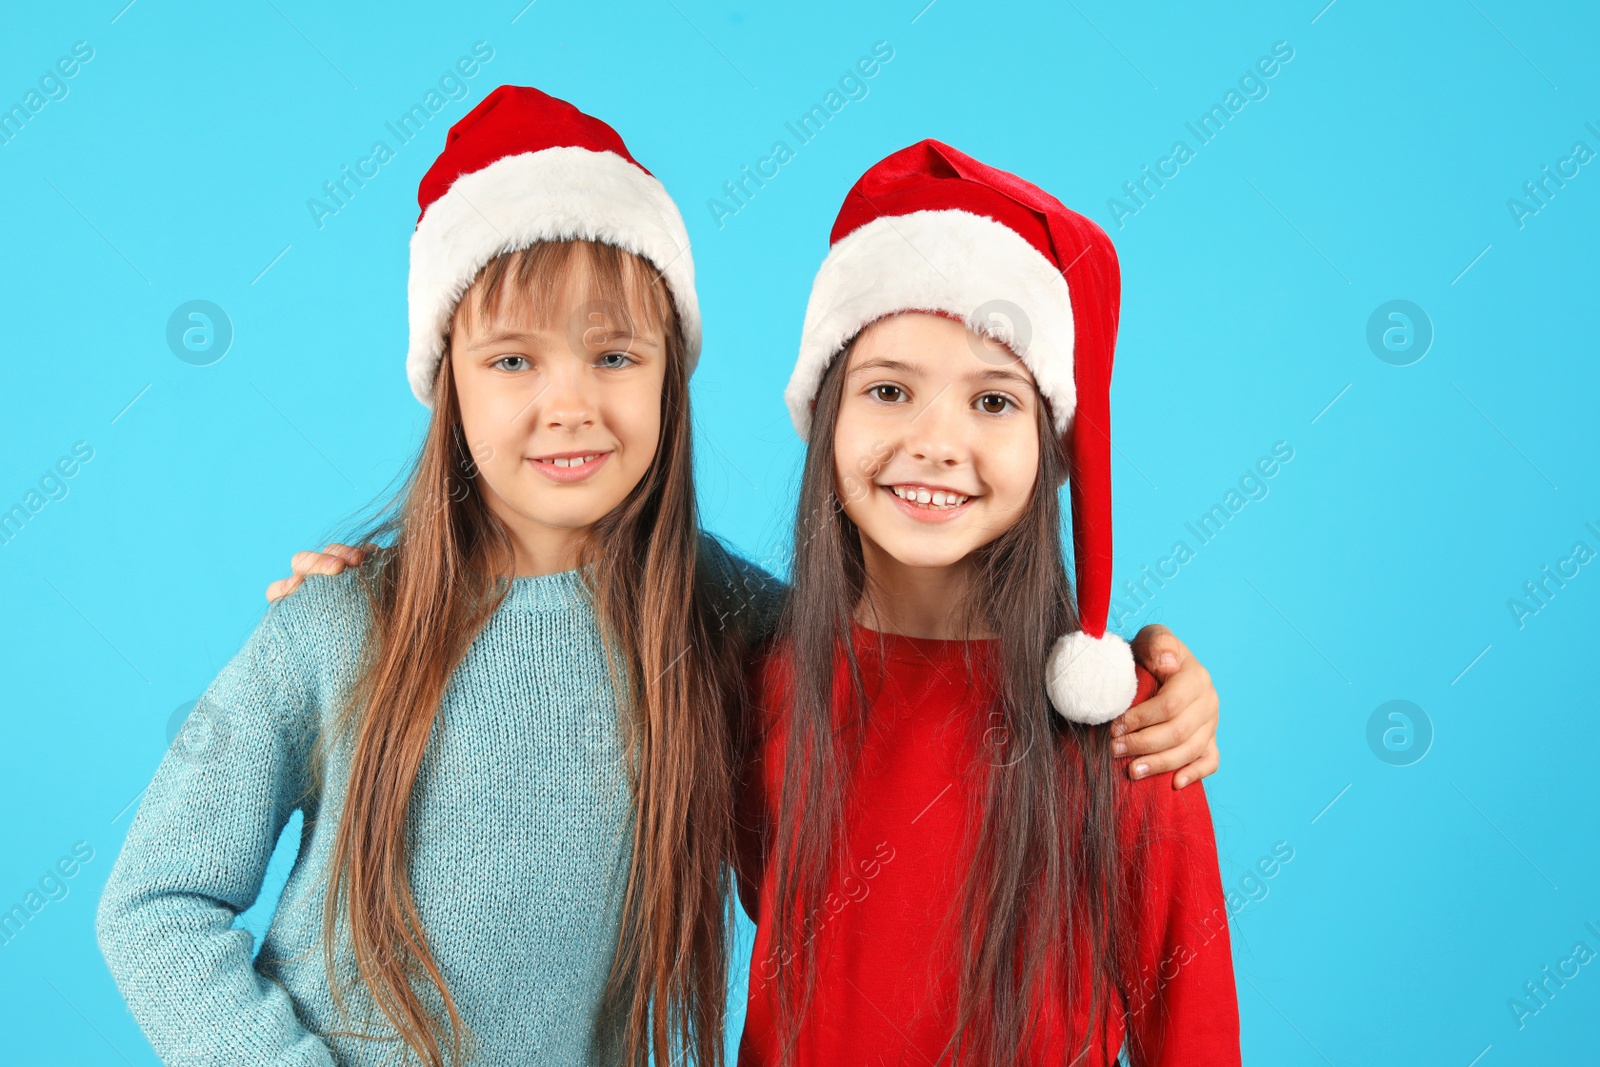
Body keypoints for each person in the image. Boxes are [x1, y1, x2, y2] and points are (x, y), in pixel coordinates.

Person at [97, 85, 770, 1067]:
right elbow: (155, 902)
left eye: (615, 353)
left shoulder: (732, 618)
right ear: (445, 379)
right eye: (512, 359)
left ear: (672, 372)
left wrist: (1073, 696)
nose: (570, 402)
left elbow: (911, 692)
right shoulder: (335, 624)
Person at [734, 140, 1241, 1065]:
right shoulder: (761, 685)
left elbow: (1193, 1023)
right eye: (889, 390)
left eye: (994, 402)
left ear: (1054, 448)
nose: (935, 442)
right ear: (826, 416)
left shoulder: (1128, 728)